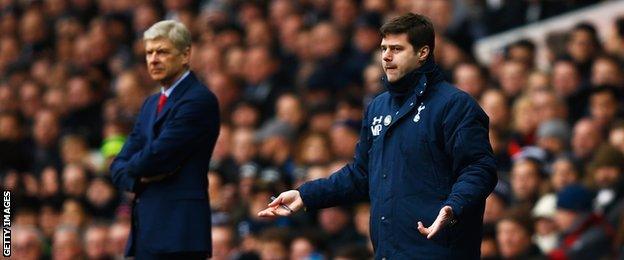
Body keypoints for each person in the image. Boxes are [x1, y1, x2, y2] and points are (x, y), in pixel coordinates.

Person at [258, 13, 497, 259]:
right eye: (383, 48)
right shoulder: (378, 107)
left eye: (396, 49)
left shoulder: (454, 105)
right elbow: (362, 174)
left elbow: (479, 168)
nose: (386, 56)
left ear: (423, 53)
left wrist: (454, 207)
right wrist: (305, 195)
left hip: (439, 249)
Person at [109, 20, 220, 259]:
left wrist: (133, 169)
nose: (154, 59)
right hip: (147, 232)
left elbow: (158, 156)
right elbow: (118, 164)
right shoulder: (150, 104)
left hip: (180, 233)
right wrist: (137, 177)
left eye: (162, 51)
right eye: (149, 53)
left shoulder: (198, 100)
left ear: (185, 55)